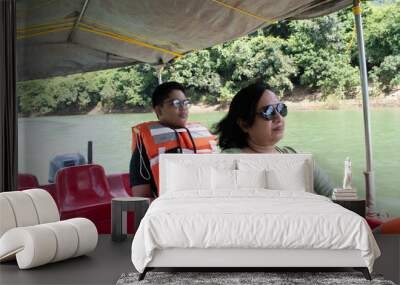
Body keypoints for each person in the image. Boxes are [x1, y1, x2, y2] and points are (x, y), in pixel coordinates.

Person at [213, 82, 333, 197]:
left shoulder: (299, 157)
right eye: (268, 111)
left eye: (280, 109)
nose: (279, 117)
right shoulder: (230, 160)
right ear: (245, 124)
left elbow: (334, 196)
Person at [129, 81, 217, 197]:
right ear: (159, 110)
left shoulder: (203, 134)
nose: (183, 108)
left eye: (185, 103)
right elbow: (141, 197)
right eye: (175, 103)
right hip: (169, 211)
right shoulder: (143, 147)